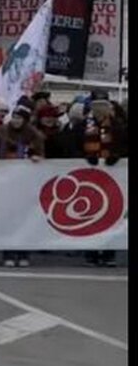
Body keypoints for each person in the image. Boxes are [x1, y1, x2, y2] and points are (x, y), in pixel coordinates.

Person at [68, 90, 127, 268]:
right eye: (96, 107)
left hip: (112, 177)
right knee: (91, 213)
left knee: (112, 214)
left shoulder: (118, 127)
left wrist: (117, 155)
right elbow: (71, 146)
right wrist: (84, 156)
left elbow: (125, 145)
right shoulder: (82, 127)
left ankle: (109, 252)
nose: (100, 110)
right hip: (89, 177)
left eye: (103, 106)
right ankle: (91, 252)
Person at [0, 105, 45, 268]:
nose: (15, 121)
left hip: (25, 183)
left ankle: (23, 253)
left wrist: (37, 158)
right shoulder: (3, 132)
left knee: (25, 219)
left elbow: (41, 154)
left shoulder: (34, 135)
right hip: (6, 181)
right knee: (7, 219)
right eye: (14, 117)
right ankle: (8, 252)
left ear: (25, 120)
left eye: (19, 118)